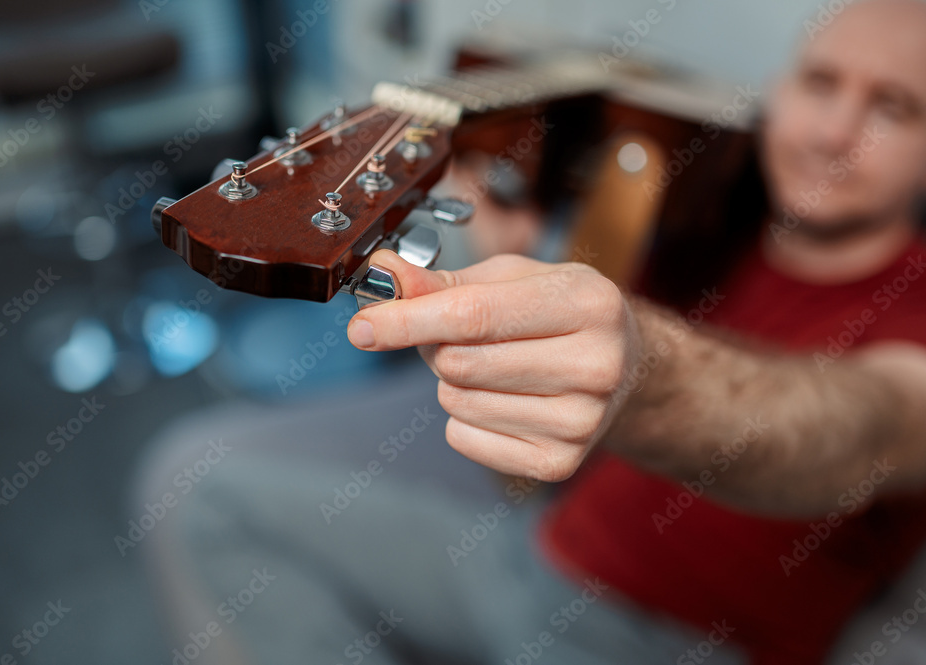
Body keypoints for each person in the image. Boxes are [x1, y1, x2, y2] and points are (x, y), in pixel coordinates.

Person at [139, 1, 926, 663]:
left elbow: (862, 428)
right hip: (535, 556)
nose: (834, 131)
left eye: (894, 107)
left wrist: (640, 366)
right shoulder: (710, 214)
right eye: (821, 83)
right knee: (199, 490)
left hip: (671, 641)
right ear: (779, 91)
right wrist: (518, 259)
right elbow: (562, 414)